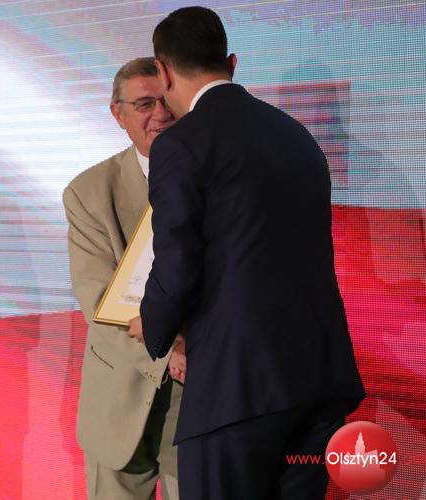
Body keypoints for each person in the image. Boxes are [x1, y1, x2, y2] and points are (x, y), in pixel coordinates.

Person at [127, 7, 365, 499]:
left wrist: (154, 324)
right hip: (317, 382)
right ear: (231, 63)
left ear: (164, 72)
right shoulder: (298, 136)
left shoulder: (181, 145)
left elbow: (177, 262)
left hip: (236, 390)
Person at [63, 57, 184, 500]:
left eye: (167, 101)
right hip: (120, 397)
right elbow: (100, 303)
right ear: (119, 115)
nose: (161, 114)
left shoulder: (220, 181)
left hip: (197, 397)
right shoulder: (89, 192)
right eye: (145, 104)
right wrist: (171, 350)